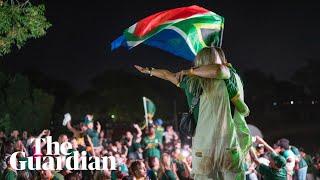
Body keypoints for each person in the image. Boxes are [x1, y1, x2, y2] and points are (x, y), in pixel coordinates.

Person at [135, 46, 252, 179]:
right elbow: (219, 70)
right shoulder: (231, 77)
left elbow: (167, 75)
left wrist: (150, 71)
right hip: (228, 144)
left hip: (202, 147)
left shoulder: (190, 82)